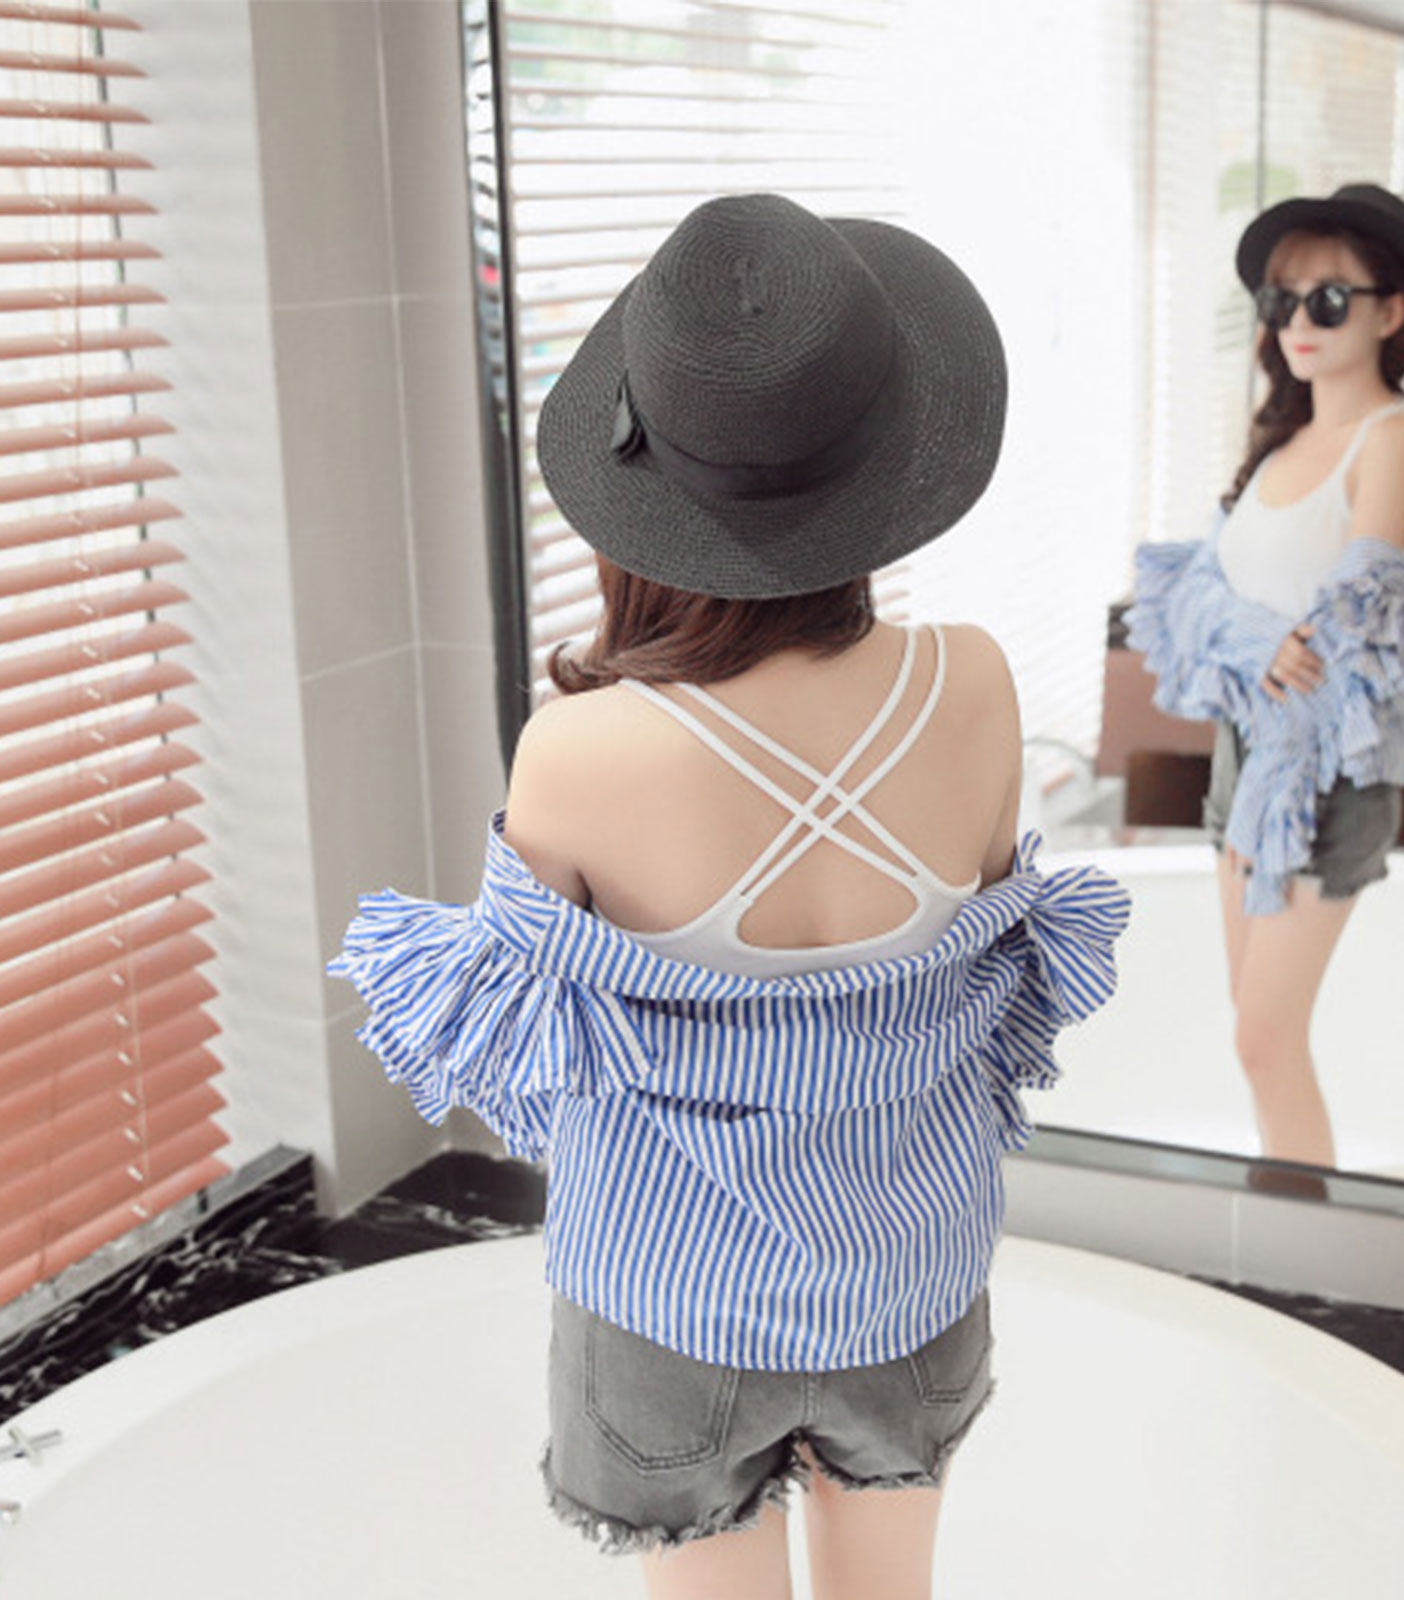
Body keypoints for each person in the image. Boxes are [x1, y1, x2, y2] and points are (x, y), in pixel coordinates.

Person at [331, 193, 1129, 1600]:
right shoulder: (975, 682)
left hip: (668, 1302)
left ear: (640, 486)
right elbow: (996, 984)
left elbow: (510, 1046)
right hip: (908, 1274)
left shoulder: (579, 749)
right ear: (884, 457)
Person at [1128, 184, 1404, 1169]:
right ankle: (1282, 1209)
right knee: (1252, 1031)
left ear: (1389, 312)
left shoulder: (1387, 438)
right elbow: (1193, 593)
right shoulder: (1279, 439)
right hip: (1243, 756)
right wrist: (1251, 639)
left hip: (1325, 769)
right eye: (1281, 301)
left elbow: (1356, 615)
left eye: (1327, 299)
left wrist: (1253, 636)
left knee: (1263, 1039)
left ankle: (1303, 1240)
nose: (1296, 324)